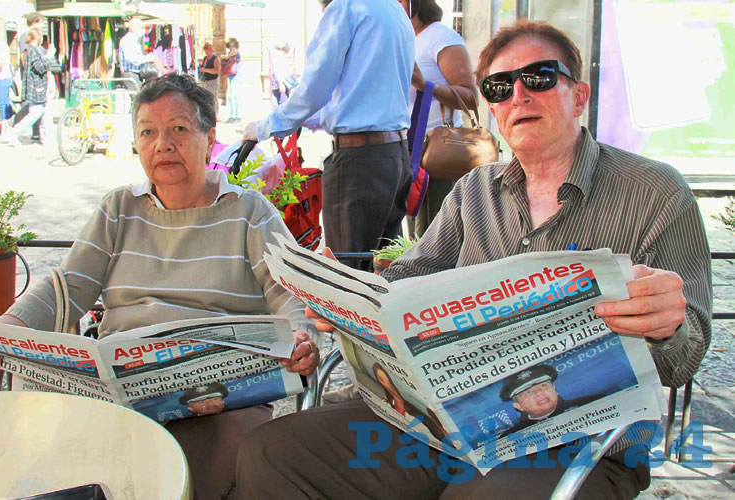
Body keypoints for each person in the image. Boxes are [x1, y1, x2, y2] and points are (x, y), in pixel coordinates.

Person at [235, 20, 711, 499]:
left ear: (580, 96)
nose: (519, 95)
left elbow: (684, 359)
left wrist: (667, 325)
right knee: (272, 452)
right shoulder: (473, 192)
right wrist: (342, 299)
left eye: (540, 77)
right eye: (500, 88)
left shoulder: (655, 193)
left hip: (578, 446)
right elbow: (402, 283)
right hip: (445, 430)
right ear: (493, 110)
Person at [0, 72, 320, 499]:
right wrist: (3, 330)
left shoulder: (249, 212)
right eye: (148, 132)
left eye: (179, 129)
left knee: (201, 465)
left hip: (218, 396)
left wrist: (302, 338)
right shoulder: (119, 209)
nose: (162, 144)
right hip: (124, 392)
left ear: (210, 138)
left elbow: (292, 295)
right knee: (56, 452)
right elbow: (67, 287)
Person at [243, 0, 415, 271]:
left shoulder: (347, 7)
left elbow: (315, 88)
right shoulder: (393, 10)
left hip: (360, 162)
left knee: (348, 274)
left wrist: (266, 126)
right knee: (386, 269)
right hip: (393, 155)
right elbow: (356, 93)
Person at [400, 0, 479, 237]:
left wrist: (425, 86)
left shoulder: (442, 38)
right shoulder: (405, 38)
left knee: (433, 234)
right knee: (414, 235)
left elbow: (470, 98)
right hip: (409, 151)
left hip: (438, 153)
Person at [499, 364, 602, 437]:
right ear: (518, 406)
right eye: (528, 392)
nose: (539, 393)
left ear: (554, 389)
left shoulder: (593, 402)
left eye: (543, 386)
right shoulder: (511, 437)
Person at [3, 29, 49, 146]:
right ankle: (14, 133)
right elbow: (39, 68)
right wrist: (49, 60)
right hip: (36, 86)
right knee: (35, 113)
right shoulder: (33, 51)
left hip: (34, 85)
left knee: (41, 112)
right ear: (37, 38)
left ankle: (45, 137)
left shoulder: (29, 51)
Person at [118, 18, 152, 82]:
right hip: (131, 74)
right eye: (142, 27)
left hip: (136, 74)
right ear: (135, 27)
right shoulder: (128, 40)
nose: (143, 29)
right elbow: (134, 60)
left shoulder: (135, 40)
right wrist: (148, 58)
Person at [224, 37, 241, 123]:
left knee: (232, 95)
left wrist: (224, 57)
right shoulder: (232, 50)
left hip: (235, 74)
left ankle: (235, 116)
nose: (229, 43)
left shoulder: (234, 50)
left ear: (233, 43)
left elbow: (227, 57)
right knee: (233, 95)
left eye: (230, 42)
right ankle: (235, 115)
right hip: (232, 74)